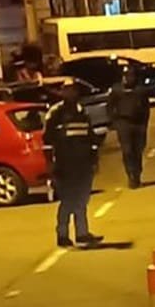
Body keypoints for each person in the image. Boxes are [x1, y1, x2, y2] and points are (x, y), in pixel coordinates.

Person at [46, 81, 103, 249]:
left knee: (82, 200)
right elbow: (47, 141)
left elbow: (90, 138)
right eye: (67, 90)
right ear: (62, 92)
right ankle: (62, 235)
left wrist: (94, 160)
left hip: (83, 164)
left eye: (73, 90)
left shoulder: (81, 112)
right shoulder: (56, 113)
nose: (71, 93)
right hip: (65, 164)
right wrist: (50, 164)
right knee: (68, 200)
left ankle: (82, 233)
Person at [109, 68, 151, 188]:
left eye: (131, 76)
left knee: (137, 151)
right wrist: (115, 122)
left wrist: (144, 124)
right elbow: (110, 107)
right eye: (126, 76)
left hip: (138, 124)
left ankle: (137, 174)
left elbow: (146, 108)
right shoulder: (117, 90)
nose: (128, 78)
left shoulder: (140, 90)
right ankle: (130, 175)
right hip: (124, 124)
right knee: (127, 151)